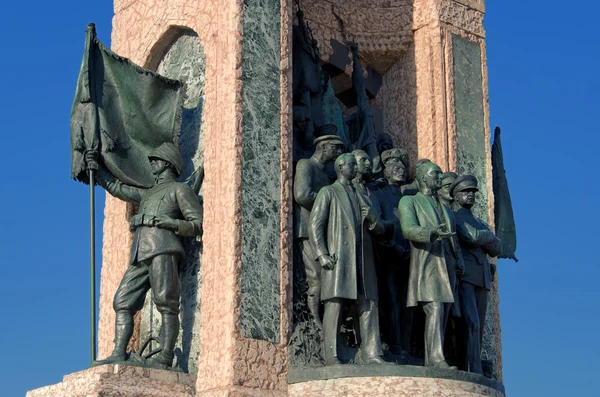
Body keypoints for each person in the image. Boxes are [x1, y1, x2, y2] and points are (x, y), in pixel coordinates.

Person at [86, 142, 202, 368]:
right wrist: (97, 168)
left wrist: (170, 223)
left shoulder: (180, 190)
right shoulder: (148, 193)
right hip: (140, 252)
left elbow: (196, 224)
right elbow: (118, 188)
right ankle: (119, 352)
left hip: (164, 247)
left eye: (156, 160)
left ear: (168, 163)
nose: (152, 164)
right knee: (122, 301)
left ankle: (165, 356)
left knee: (166, 303)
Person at [309, 153, 388, 365]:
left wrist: (372, 218)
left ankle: (372, 353)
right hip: (339, 257)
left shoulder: (363, 195)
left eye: (355, 165)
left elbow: (379, 228)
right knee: (335, 303)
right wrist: (321, 253)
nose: (355, 168)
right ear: (340, 167)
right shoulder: (328, 192)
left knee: (369, 303)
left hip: (363, 258)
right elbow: (315, 224)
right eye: (351, 165)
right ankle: (331, 354)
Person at [398, 160, 464, 368]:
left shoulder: (447, 210)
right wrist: (430, 233)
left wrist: (459, 260)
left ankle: (437, 355)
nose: (440, 177)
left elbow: (454, 240)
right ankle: (435, 359)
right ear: (423, 177)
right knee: (434, 308)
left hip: (448, 266)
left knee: (443, 312)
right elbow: (408, 229)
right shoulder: (409, 202)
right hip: (427, 262)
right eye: (435, 173)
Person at [451, 175, 502, 374]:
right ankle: (470, 366)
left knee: (478, 325)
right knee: (470, 322)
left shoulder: (477, 221)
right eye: (465, 192)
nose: (470, 195)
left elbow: (497, 248)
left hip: (481, 277)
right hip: (466, 276)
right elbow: (470, 237)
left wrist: (486, 237)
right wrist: (488, 236)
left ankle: (475, 365)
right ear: (456, 197)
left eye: (472, 192)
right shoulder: (454, 216)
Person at [293, 133, 345, 326]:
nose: (339, 152)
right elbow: (302, 195)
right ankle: (314, 321)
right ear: (323, 147)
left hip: (323, 232)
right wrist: (329, 201)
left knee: (326, 276)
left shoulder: (326, 173)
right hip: (308, 231)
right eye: (335, 147)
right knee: (315, 277)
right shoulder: (306, 165)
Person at [370, 151, 413, 358]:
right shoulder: (378, 196)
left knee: (409, 303)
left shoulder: (410, 198)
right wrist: (392, 246)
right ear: (386, 172)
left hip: (410, 258)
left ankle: (406, 345)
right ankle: (394, 345)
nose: (401, 171)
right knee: (392, 302)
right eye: (396, 168)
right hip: (388, 257)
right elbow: (375, 226)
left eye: (403, 168)